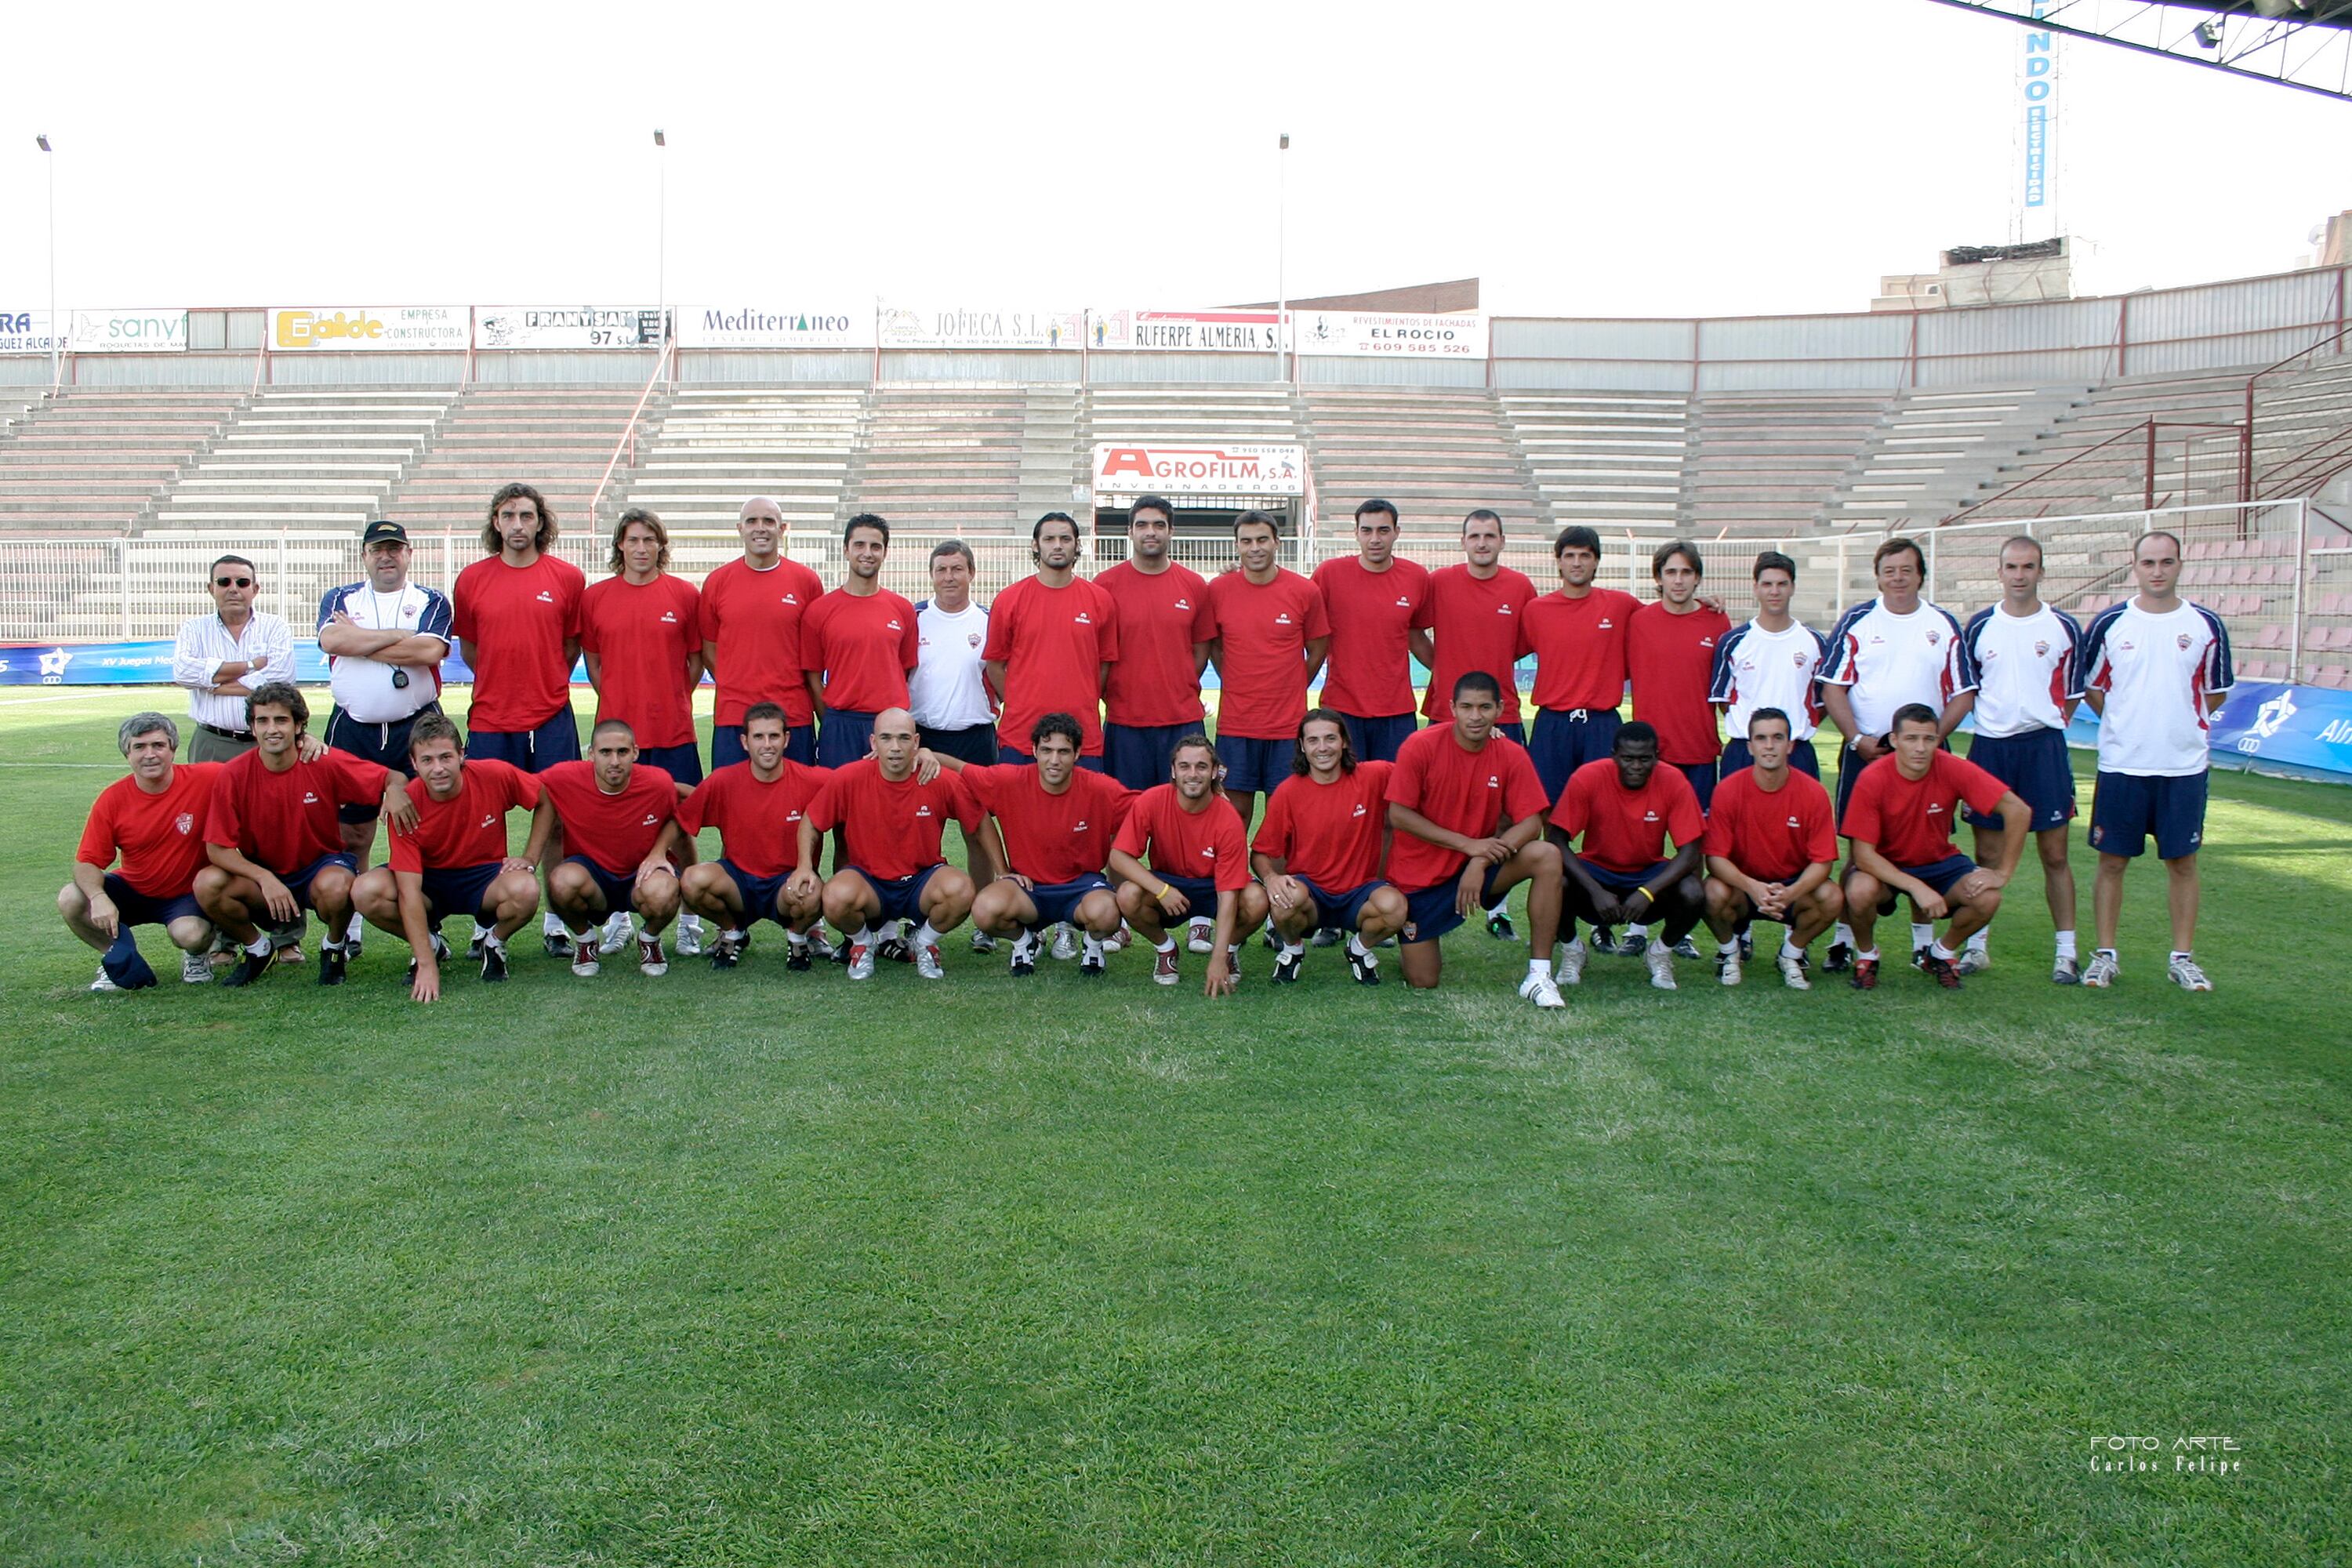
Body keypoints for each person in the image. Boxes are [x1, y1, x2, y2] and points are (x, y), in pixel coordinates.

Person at [2078, 530, 2233, 993]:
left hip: (2183, 766)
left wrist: (2180, 725)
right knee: (2111, 863)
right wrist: (2129, 725)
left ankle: (2182, 958)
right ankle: (2105, 955)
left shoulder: (2205, 625)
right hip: (2124, 764)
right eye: (2149, 563)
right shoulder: (2110, 624)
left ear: (2180, 565)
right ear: (2135, 567)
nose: (2158, 571)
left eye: (2166, 562)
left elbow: (2216, 691)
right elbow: (2093, 690)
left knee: (2183, 863)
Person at [196, 683, 413, 989]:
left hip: (319, 869)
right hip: (266, 875)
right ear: (252, 727)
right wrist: (264, 878)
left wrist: (394, 791)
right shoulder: (233, 775)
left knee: (338, 886)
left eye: (281, 720)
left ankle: (334, 948)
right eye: (263, 721)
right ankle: (258, 950)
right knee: (207, 883)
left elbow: (393, 776)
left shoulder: (321, 761)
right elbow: (218, 849)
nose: (272, 729)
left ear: (299, 725)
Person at [1817, 537, 1966, 972]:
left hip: (1926, 761)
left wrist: (1928, 740)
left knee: (1928, 848)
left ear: (1921, 575)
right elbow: (1833, 688)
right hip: (1867, 756)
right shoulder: (1859, 621)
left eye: (1907, 570)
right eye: (1890, 571)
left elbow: (1963, 694)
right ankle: (1845, 941)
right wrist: (1856, 739)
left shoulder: (1943, 623)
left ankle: (1923, 945)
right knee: (1856, 851)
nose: (1898, 578)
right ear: (1878, 576)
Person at [1942, 535, 2086, 982]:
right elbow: (1967, 688)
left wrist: (2045, 722)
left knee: (2056, 855)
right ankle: (1976, 946)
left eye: (2028, 567)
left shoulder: (2063, 627)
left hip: (2043, 748)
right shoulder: (1980, 626)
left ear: (2041, 572)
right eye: (2012, 567)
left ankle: (2066, 950)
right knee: (1984, 851)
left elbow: (2072, 696)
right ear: (1999, 572)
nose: (2020, 576)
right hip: (1990, 748)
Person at [1385, 673, 1567, 1007]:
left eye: (1485, 707)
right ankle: (1406, 936)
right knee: (1423, 980)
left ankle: (1540, 975)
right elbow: (1399, 815)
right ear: (1452, 707)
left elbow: (1531, 822)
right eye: (1467, 707)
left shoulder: (1509, 753)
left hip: (1479, 868)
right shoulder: (1421, 745)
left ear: (1500, 709)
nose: (1475, 716)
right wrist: (1468, 845)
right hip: (1420, 879)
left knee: (1546, 855)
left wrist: (1479, 860)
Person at [579, 506, 708, 956]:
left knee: (682, 823)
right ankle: (618, 918)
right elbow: (593, 663)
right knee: (615, 825)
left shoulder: (684, 595)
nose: (640, 548)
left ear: (660, 546)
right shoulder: (595, 597)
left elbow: (695, 662)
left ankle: (690, 920)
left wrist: (672, 698)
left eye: (649, 540)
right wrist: (619, 701)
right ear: (620, 545)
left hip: (672, 731)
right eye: (632, 540)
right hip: (617, 735)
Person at [350, 714, 547, 1002]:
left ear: (461, 755)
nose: (438, 768)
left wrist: (530, 857)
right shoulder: (405, 806)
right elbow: (408, 892)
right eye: (427, 760)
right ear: (414, 764)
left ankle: (495, 941)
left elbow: (544, 800)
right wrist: (427, 965)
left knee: (526, 889)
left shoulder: (494, 775)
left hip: (484, 879)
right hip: (430, 883)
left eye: (446, 757)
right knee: (365, 891)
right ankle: (430, 946)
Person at [1838, 703, 2031, 990]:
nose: (1920, 748)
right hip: (1887, 865)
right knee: (1859, 890)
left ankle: (1941, 952)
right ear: (1894, 740)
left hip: (1939, 862)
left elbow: (2019, 811)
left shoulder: (1952, 767)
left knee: (1988, 896)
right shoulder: (1873, 777)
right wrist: (1916, 887)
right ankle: (1867, 956)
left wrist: (2002, 873)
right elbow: (1864, 856)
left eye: (1929, 739)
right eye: (1911, 739)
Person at [1414, 508, 1538, 940]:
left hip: (1503, 714)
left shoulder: (1520, 587)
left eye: (1490, 536)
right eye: (1474, 536)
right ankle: (1425, 892)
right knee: (1431, 808)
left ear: (1503, 541)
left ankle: (1496, 907)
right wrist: (1444, 670)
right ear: (1462, 542)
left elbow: (1527, 639)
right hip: (1445, 713)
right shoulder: (1440, 582)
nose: (1482, 543)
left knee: (1504, 815)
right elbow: (1414, 628)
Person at [797, 706, 982, 981]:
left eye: (904, 738)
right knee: (835, 896)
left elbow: (979, 823)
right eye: (886, 738)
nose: (895, 747)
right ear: (873, 742)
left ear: (917, 743)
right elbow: (810, 821)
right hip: (870, 884)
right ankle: (862, 944)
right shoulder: (850, 777)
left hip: (921, 882)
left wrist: (1002, 871)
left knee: (962, 890)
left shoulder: (935, 776)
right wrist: (804, 867)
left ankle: (924, 942)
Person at [315, 519, 452, 887]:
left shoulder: (431, 599)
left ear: (408, 554)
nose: (386, 557)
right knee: (352, 833)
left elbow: (428, 650)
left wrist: (358, 640)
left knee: (422, 825)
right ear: (364, 556)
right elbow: (332, 642)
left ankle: (427, 918)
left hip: (415, 726)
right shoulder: (341, 597)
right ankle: (352, 924)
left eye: (394, 549)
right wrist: (394, 637)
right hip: (352, 728)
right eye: (378, 550)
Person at [952, 713, 1139, 977]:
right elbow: (958, 769)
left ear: (1077, 754)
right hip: (1028, 888)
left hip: (1081, 887)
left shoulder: (1100, 788)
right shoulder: (1010, 780)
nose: (1054, 760)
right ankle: (1023, 941)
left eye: (1063, 751)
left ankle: (1092, 944)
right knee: (985, 910)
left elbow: (1148, 808)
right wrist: (925, 754)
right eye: (1046, 750)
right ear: (1034, 751)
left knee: (1107, 914)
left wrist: (1209, 800)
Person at [62, 713, 224, 991]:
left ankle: (197, 956)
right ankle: (117, 959)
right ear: (127, 753)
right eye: (139, 747)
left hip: (185, 895)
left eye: (158, 745)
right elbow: (87, 861)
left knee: (192, 935)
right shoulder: (112, 799)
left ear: (173, 749)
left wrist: (303, 741)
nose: (150, 755)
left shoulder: (207, 777)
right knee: (71, 897)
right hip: (134, 887)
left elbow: (256, 767)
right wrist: (99, 897)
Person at [1250, 710, 1407, 985]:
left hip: (1361, 892)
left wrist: (1479, 738)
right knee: (1285, 898)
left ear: (1344, 741)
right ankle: (1292, 950)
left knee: (1394, 907)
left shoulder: (1374, 775)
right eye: (1313, 740)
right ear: (1302, 746)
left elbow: (1420, 765)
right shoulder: (1288, 792)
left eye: (1330, 738)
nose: (1322, 748)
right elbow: (1261, 851)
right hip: (1311, 895)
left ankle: (1359, 949)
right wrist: (1272, 878)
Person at [1547, 721, 1707, 992]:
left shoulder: (1673, 780)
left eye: (1645, 759)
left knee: (1693, 891)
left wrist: (1647, 892)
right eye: (1628, 759)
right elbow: (1556, 840)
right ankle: (1573, 949)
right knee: (1554, 883)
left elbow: (1691, 851)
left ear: (1657, 757)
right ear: (1614, 755)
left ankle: (1660, 952)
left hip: (1646, 872)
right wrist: (1595, 890)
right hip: (1597, 870)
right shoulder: (1588, 777)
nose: (1636, 766)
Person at [677, 702, 834, 971]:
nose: (767, 744)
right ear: (744, 742)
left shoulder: (814, 780)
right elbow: (682, 818)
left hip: (787, 884)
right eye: (758, 737)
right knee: (692, 881)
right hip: (738, 883)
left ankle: (798, 939)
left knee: (815, 892)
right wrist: (658, 854)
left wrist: (923, 754)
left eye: (774, 736)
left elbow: (858, 781)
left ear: (786, 739)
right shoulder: (724, 781)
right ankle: (732, 933)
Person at [1202, 510, 1330, 832]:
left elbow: (1318, 647)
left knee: (1283, 816)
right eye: (1246, 541)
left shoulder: (1303, 591)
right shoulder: (1219, 590)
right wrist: (1230, 677)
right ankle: (1232, 879)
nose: (1255, 548)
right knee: (1234, 812)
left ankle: (1278, 881)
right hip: (1236, 723)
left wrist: (1295, 684)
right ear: (1237, 546)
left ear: (1277, 542)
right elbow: (1214, 644)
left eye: (1262, 540)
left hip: (1286, 727)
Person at [1109, 733, 1265, 993]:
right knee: (1127, 894)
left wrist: (1218, 956)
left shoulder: (1228, 818)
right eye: (1185, 766)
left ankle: (1230, 952)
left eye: (1201, 766)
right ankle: (1165, 949)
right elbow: (1119, 856)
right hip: (1170, 884)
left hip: (1214, 886)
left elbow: (1228, 896)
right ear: (1173, 770)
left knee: (1257, 899)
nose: (1193, 774)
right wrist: (1162, 890)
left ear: (1215, 772)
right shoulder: (1152, 800)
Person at [1700, 708, 1843, 989]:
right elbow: (1715, 858)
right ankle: (1730, 952)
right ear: (1750, 746)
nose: (1769, 746)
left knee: (1832, 896)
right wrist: (1753, 887)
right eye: (1761, 738)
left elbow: (1823, 861)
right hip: (1744, 888)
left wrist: (1792, 892)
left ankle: (1791, 954)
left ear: (1790, 745)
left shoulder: (1813, 793)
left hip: (1790, 888)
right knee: (1710, 892)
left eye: (1777, 738)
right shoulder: (1728, 790)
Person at [534, 719, 685, 979]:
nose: (614, 761)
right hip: (593, 878)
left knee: (665, 890)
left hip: (641, 875)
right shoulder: (564, 777)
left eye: (622, 752)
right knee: (561, 881)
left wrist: (659, 851)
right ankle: (585, 942)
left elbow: (689, 807)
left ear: (635, 753)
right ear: (591, 754)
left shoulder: (658, 783)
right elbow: (517, 785)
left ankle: (649, 940)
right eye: (605, 752)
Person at [453, 481, 585, 771]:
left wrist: (543, 680)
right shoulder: (470, 580)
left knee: (557, 804)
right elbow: (470, 649)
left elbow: (571, 645)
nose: (517, 525)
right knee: (485, 808)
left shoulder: (569, 578)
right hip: (491, 716)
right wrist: (502, 680)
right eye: (508, 516)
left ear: (540, 523)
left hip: (551, 714)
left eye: (527, 516)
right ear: (496, 524)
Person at [1096, 494, 1216, 792]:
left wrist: (1178, 682)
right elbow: (1096, 653)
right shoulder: (1105, 585)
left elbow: (1201, 648)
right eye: (1142, 525)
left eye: (1159, 525)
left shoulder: (1194, 585)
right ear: (1130, 532)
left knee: (1182, 815)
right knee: (1126, 815)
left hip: (1182, 720)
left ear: (1171, 531)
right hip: (1126, 723)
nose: (1151, 531)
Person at [700, 495, 824, 769]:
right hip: (735, 716)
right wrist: (737, 683)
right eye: (752, 521)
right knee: (733, 805)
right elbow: (709, 648)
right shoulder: (717, 582)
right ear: (740, 529)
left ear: (782, 529)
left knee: (798, 802)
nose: (761, 528)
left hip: (793, 715)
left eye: (769, 521)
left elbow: (815, 652)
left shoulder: (807, 582)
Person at [985, 512, 1117, 767]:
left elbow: (1105, 664)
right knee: (1017, 808)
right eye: (1049, 539)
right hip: (1021, 735)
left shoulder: (1100, 600)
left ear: (1077, 545)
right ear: (1036, 545)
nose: (1057, 545)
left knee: (1083, 808)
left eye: (1065, 539)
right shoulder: (1009, 600)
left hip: (1083, 737)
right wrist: (1019, 702)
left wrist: (1084, 698)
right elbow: (995, 665)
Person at [1311, 499, 1429, 764]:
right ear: (1356, 533)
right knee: (1344, 793)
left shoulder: (1417, 577)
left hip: (1396, 710)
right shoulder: (1329, 574)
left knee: (1395, 795)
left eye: (1383, 530)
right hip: (1342, 707)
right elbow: (1296, 607)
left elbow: (1417, 637)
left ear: (1397, 532)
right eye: (1367, 530)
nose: (1375, 539)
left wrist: (1451, 675)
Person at [801, 514, 920, 768]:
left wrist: (888, 724)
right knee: (839, 803)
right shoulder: (819, 611)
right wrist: (831, 720)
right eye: (860, 545)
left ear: (885, 553)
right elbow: (812, 676)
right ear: (846, 550)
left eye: (875, 547)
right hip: (840, 724)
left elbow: (905, 667)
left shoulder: (902, 609)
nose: (868, 553)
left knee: (889, 804)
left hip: (889, 725)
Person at [1628, 540, 1731, 811]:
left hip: (1699, 749)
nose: (1678, 580)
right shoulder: (1637, 620)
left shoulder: (1717, 620)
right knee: (1645, 843)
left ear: (1697, 577)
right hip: (1650, 753)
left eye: (1686, 572)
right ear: (1659, 578)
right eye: (1671, 572)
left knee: (1699, 840)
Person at [1710, 550, 1828, 781]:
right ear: (1756, 588)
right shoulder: (1733, 642)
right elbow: (1724, 702)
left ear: (1793, 587)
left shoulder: (1815, 642)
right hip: (1744, 751)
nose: (1774, 591)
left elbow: (1823, 701)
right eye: (1767, 584)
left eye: (1782, 584)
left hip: (1797, 751)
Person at [173, 554, 294, 762]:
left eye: (242, 582)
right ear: (212, 589)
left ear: (255, 589)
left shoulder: (275, 626)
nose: (233, 589)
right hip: (212, 741)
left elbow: (281, 678)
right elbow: (183, 673)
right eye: (224, 582)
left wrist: (215, 685)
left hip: (266, 743)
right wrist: (251, 666)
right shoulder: (194, 628)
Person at [912, 539, 999, 768]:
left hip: (977, 739)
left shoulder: (990, 622)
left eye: (957, 569)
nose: (948, 577)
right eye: (941, 570)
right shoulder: (913, 618)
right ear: (931, 575)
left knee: (977, 804)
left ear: (971, 573)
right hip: (924, 738)